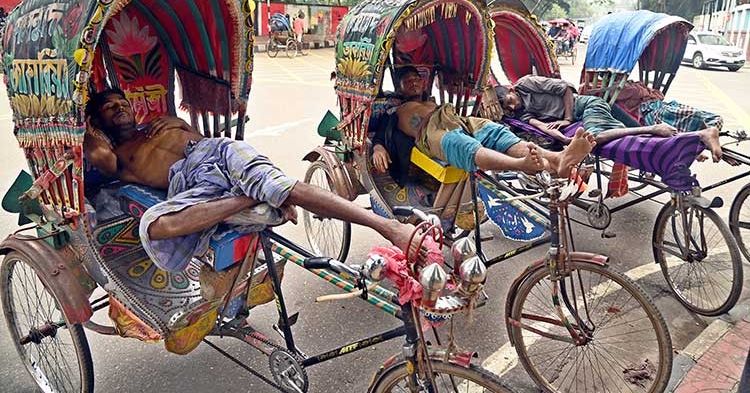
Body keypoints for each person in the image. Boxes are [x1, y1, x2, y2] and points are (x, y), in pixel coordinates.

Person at [84, 88, 431, 273]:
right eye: (109, 108)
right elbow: (98, 157)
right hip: (191, 185)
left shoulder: (164, 121)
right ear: (99, 119)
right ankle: (251, 200)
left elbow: (204, 139)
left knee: (277, 184)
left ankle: (388, 228)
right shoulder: (117, 154)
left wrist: (176, 126)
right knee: (153, 226)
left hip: (217, 153)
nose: (119, 108)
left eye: (122, 102)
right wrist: (90, 129)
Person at [371, 66, 595, 179]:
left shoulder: (432, 101)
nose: (412, 83)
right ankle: (521, 165)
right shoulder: (394, 108)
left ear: (423, 81)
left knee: (495, 130)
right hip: (429, 131)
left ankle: (558, 160)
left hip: (455, 118)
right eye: (406, 81)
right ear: (399, 87)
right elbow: (381, 132)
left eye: (415, 78)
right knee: (461, 143)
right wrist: (378, 147)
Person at [497, 76, 723, 161]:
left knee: (593, 137)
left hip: (584, 104)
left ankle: (677, 131)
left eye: (509, 99)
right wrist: (560, 137)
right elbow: (540, 126)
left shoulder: (526, 83)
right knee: (584, 140)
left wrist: (566, 119)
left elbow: (565, 88)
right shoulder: (521, 113)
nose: (512, 105)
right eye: (508, 107)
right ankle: (690, 141)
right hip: (582, 115)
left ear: (511, 90)